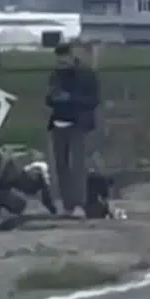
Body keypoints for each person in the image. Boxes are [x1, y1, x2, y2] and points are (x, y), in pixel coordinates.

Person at [45, 43, 100, 217]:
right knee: (60, 166)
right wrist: (54, 98)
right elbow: (49, 97)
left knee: (77, 165)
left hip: (78, 123)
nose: (61, 63)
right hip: (58, 122)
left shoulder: (86, 75)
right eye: (58, 60)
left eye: (63, 59)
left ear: (70, 57)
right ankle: (66, 204)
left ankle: (79, 204)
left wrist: (71, 99)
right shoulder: (55, 75)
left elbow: (93, 100)